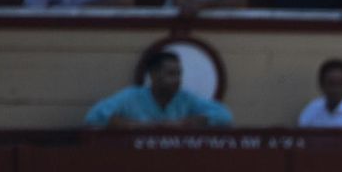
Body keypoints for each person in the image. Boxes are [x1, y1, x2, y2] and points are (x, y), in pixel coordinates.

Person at [84, 49, 233, 128]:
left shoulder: (186, 99)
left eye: (179, 74)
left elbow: (225, 116)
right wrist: (136, 126)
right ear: (153, 75)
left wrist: (184, 124)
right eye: (171, 74)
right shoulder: (131, 97)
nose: (177, 80)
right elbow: (93, 117)